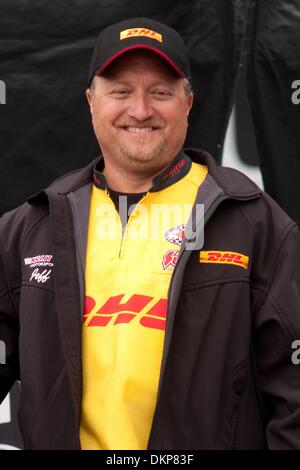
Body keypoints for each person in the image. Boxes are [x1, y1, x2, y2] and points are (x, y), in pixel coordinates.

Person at [0, 17, 299, 451]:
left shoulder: (252, 221)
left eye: (160, 92)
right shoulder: (34, 226)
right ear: (91, 101)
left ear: (188, 102)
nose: (140, 110)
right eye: (120, 91)